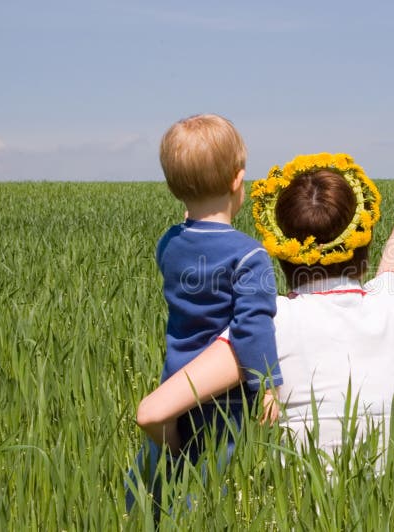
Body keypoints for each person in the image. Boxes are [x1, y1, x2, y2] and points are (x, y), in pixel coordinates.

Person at [136, 151, 394, 462]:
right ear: (362, 244)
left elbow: (152, 412)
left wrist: (179, 460)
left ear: (282, 249)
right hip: (381, 505)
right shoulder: (390, 304)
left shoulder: (266, 327)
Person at [127, 114, 282, 510]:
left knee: (173, 458)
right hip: (224, 395)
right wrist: (267, 383)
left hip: (176, 376)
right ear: (238, 179)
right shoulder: (250, 255)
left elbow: (190, 245)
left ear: (172, 186)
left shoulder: (168, 244)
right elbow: (252, 328)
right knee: (215, 471)